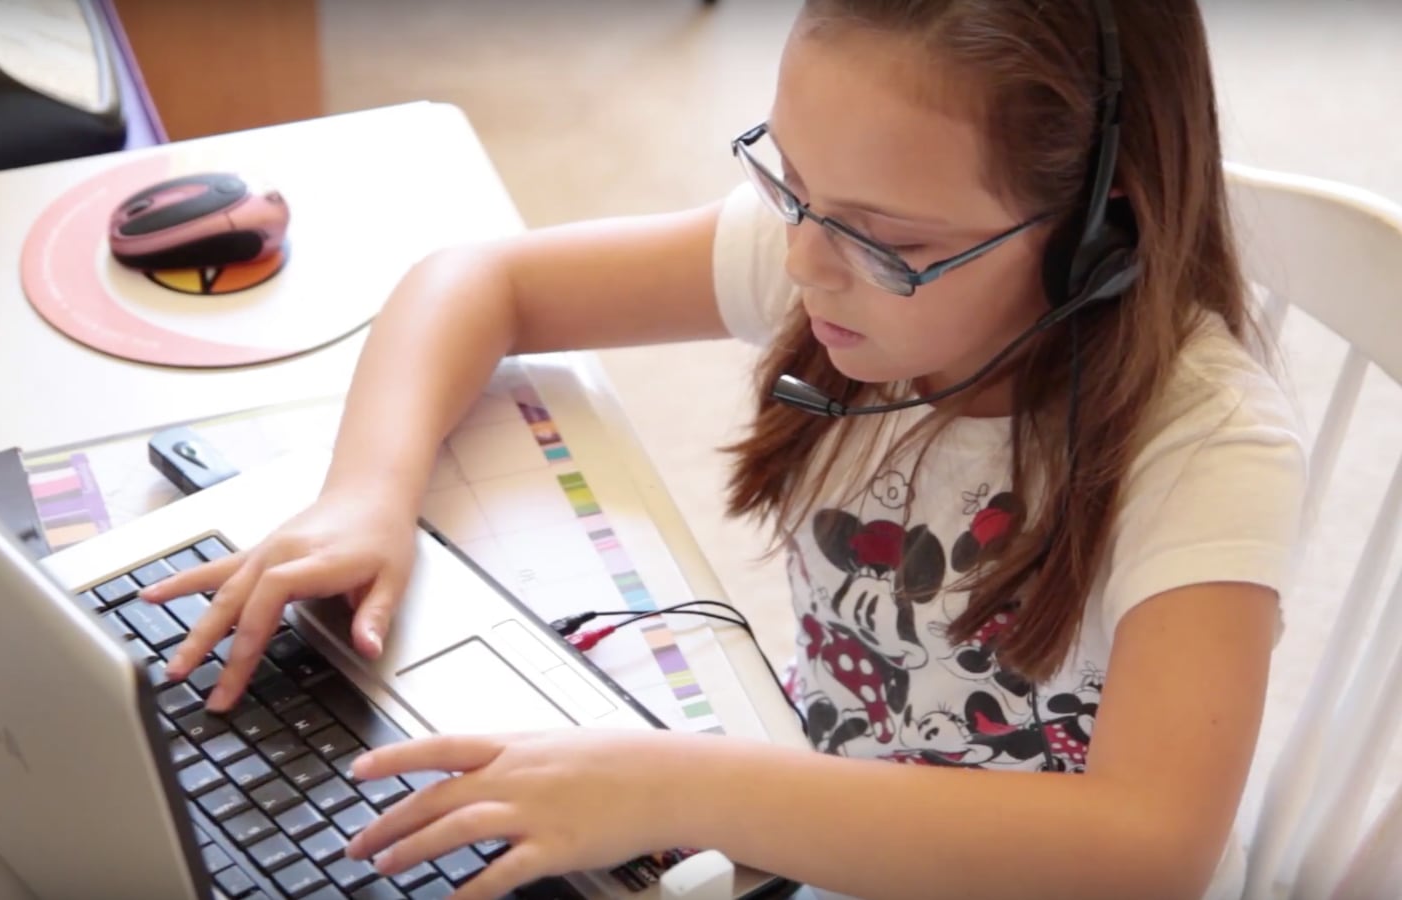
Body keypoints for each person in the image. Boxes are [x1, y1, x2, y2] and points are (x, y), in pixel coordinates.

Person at [141, 1, 1307, 897]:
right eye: (792, 183)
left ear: (1099, 234)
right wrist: (366, 495)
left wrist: (675, 785)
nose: (803, 263)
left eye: (885, 239)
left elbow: (1148, 852)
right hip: (811, 802)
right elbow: (479, 279)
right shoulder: (838, 248)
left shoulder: (1205, 449)